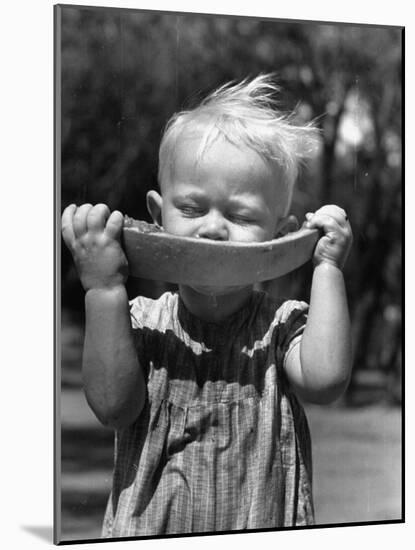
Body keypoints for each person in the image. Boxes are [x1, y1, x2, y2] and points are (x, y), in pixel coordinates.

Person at [61, 74, 353, 537]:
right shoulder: (138, 322)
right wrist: (102, 289)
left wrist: (327, 268)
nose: (213, 229)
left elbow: (325, 379)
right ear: (158, 218)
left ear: (280, 236)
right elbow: (114, 407)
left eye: (239, 216)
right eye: (193, 210)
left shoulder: (282, 328)